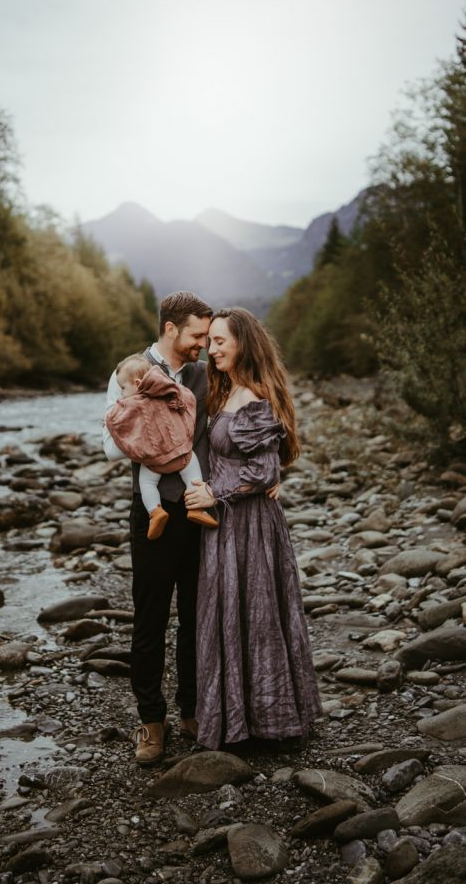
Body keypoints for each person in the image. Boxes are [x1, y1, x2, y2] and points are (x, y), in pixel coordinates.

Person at [184, 307, 322, 750]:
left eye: (220, 341)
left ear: (243, 343)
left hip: (249, 526)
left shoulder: (253, 398)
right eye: (210, 340)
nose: (212, 348)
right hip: (228, 524)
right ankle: (236, 718)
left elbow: (263, 472)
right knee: (229, 614)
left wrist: (214, 494)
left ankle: (268, 721)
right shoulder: (228, 390)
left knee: (257, 615)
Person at [102, 291, 213, 765]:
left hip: (199, 511)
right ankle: (151, 721)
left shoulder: (208, 375)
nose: (203, 345)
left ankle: (192, 710)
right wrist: (152, 416)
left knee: (195, 617)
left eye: (207, 337)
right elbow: (110, 446)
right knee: (149, 620)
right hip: (151, 514)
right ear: (170, 328)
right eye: (196, 336)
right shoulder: (128, 372)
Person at [104, 353, 218, 540]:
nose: (122, 393)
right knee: (194, 477)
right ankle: (196, 509)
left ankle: (155, 511)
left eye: (123, 388)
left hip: (154, 462)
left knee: (147, 484)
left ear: (138, 384)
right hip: (182, 454)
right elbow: (187, 398)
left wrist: (108, 419)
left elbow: (117, 424)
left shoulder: (129, 405)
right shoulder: (168, 389)